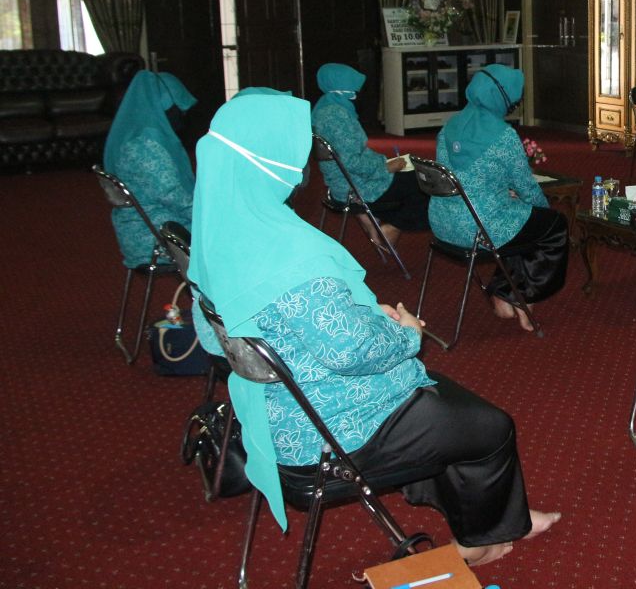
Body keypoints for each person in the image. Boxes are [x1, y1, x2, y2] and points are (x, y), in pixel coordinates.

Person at [189, 93, 560, 568]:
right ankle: (482, 538)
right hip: (330, 428)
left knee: (450, 409)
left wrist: (355, 314)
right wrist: (408, 333)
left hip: (276, 411)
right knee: (490, 427)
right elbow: (349, 349)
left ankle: (498, 519)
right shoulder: (286, 250)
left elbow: (220, 334)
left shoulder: (222, 230)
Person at [429, 65, 568, 332]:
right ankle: (517, 295)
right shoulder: (503, 135)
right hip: (480, 228)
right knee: (551, 226)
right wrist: (543, 211)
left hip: (443, 223)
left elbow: (461, 177)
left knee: (519, 219)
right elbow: (526, 186)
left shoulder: (449, 127)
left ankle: (503, 291)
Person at [311, 63, 429, 248]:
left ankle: (373, 221)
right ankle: (392, 228)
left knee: (409, 177)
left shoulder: (324, 108)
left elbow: (349, 155)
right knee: (423, 183)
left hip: (341, 182)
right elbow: (352, 161)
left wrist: (383, 161)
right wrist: (385, 166)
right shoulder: (337, 115)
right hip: (354, 186)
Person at [102, 70, 197, 267]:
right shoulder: (145, 145)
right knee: (243, 237)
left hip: (142, 229)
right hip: (159, 238)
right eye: (177, 108)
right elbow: (175, 197)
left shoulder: (134, 134)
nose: (182, 115)